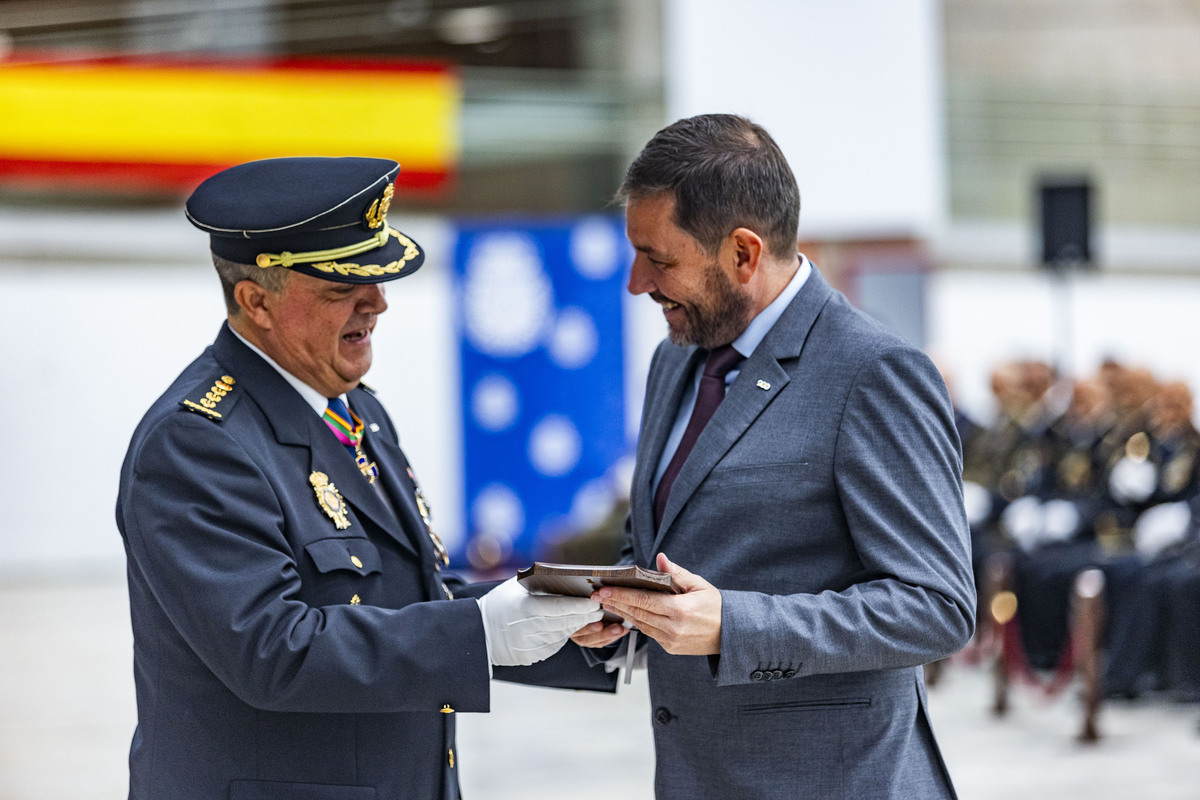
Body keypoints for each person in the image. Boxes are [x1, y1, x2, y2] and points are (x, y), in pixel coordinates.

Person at [115, 156, 614, 800]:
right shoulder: (196, 443)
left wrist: (573, 624)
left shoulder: (354, 408)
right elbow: (274, 649)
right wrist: (482, 632)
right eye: (341, 287)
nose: (377, 302)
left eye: (378, 279)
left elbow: (406, 597)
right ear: (256, 301)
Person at [572, 114, 976, 799]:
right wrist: (615, 603)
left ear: (743, 254)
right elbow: (665, 547)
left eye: (658, 258)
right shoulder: (675, 363)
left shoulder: (873, 372)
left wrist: (735, 626)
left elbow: (936, 606)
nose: (637, 283)